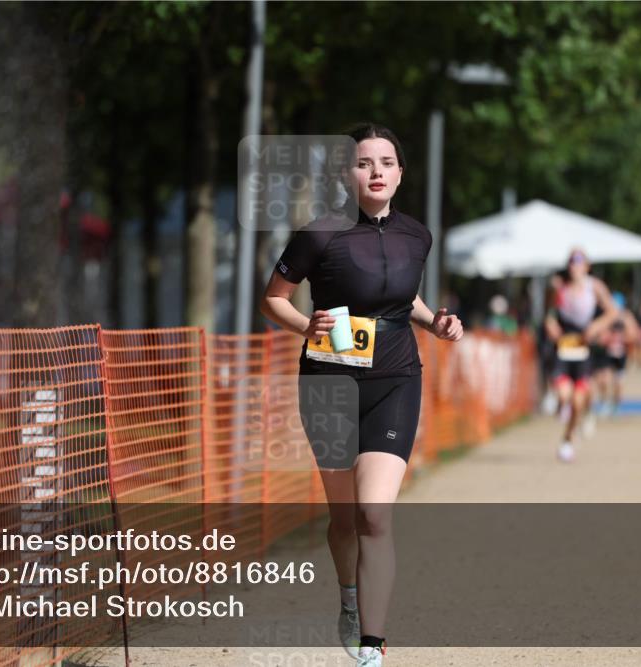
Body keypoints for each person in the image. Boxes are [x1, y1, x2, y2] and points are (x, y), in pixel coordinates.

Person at [259, 123, 463, 667]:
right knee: (345, 518)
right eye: (364, 162)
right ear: (346, 174)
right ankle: (348, 598)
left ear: (400, 173)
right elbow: (273, 300)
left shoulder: (417, 235)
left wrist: (436, 323)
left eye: (386, 162)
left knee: (375, 514)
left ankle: (372, 645)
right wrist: (308, 325)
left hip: (396, 380)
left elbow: (407, 299)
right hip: (328, 383)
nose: (376, 172)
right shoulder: (317, 235)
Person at [543, 249, 619, 462]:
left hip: (583, 349)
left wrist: (596, 326)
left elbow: (613, 312)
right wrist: (551, 325)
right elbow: (549, 313)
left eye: (578, 262)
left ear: (587, 266)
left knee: (578, 402)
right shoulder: (560, 287)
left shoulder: (595, 286)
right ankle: (561, 407)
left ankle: (567, 440)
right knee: (564, 395)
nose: (574, 266)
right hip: (564, 346)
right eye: (571, 262)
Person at [593, 292, 640, 417]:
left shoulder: (626, 317)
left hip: (621, 354)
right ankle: (604, 402)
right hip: (607, 354)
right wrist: (605, 339)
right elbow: (599, 334)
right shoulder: (605, 316)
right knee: (604, 379)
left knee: (618, 382)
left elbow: (634, 335)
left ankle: (616, 405)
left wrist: (621, 339)